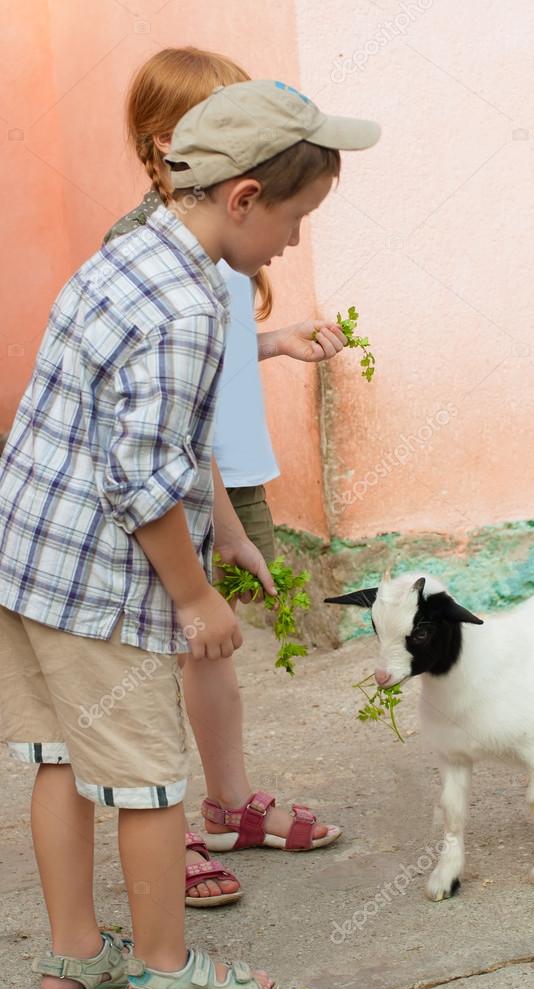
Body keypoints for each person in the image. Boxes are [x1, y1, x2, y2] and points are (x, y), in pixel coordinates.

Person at [0, 79, 380, 989]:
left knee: (60, 760)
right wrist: (196, 598)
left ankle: (73, 960)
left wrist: (231, 531)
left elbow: (139, 432)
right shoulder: (187, 308)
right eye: (296, 218)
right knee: (150, 783)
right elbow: (140, 477)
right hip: (100, 582)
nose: (295, 241)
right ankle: (166, 974)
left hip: (30, 562)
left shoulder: (129, 258)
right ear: (245, 197)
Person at [106, 49, 346, 909]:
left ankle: (228, 804)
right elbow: (160, 419)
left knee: (211, 646)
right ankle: (163, 832)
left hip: (217, 468)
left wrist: (275, 343)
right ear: (177, 142)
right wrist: (214, 524)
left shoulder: (224, 234)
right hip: (169, 483)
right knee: (164, 650)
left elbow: (205, 367)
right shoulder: (150, 249)